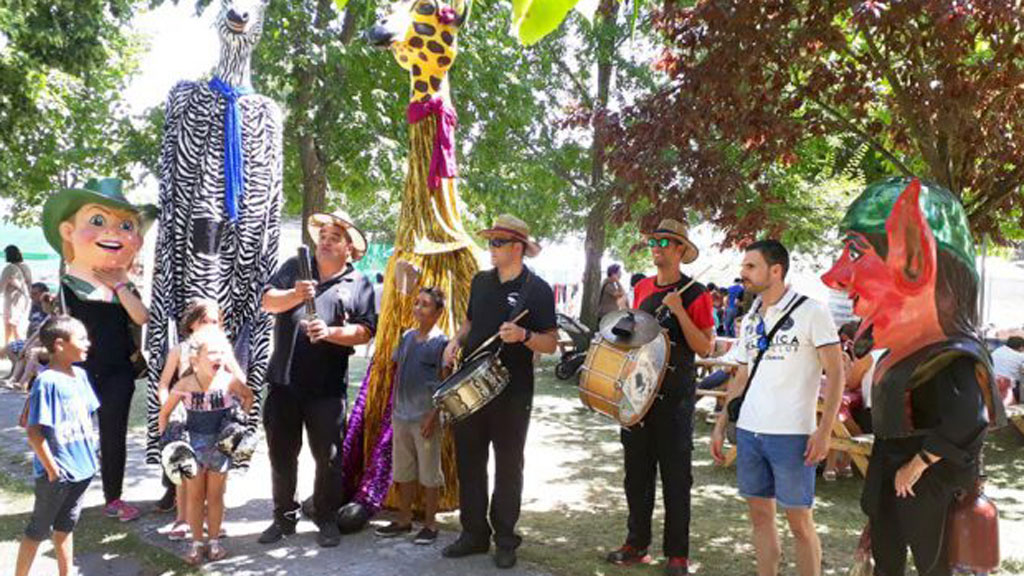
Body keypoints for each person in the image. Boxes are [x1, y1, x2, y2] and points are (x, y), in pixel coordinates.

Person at [822, 178, 1004, 576]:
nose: (834, 276)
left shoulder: (951, 355)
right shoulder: (907, 352)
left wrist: (918, 463)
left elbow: (966, 421)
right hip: (895, 474)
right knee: (889, 559)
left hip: (929, 487)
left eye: (855, 252)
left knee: (932, 562)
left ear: (915, 257)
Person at [711, 239, 843, 576]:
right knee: (759, 516)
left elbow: (837, 371)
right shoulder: (753, 313)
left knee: (800, 522)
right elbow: (742, 371)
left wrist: (825, 430)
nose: (743, 274)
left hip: (793, 435)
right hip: (750, 432)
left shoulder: (812, 311)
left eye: (750, 267)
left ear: (776, 270)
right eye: (743, 267)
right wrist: (722, 420)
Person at [441, 214, 558, 569]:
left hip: (512, 391)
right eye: (490, 242)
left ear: (518, 248)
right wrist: (455, 341)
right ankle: (473, 534)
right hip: (471, 386)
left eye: (497, 242)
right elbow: (471, 321)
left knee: (508, 465)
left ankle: (505, 537)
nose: (490, 248)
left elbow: (551, 342)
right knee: (469, 461)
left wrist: (524, 337)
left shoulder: (537, 290)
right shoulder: (480, 282)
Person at [259, 209, 376, 548]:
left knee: (328, 457)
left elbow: (365, 331)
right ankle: (284, 518)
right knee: (281, 455)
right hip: (283, 382)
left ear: (348, 248)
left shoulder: (360, 283)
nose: (325, 242)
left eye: (334, 238)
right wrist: (296, 294)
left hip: (326, 389)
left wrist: (330, 332)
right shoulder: (295, 267)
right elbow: (268, 302)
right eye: (322, 236)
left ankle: (326, 518)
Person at [41, 177, 156, 523]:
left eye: (125, 225)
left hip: (119, 370)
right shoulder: (69, 284)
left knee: (113, 434)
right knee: (70, 434)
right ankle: (62, 492)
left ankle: (114, 497)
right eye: (98, 221)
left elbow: (142, 316)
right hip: (80, 372)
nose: (115, 233)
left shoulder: (126, 285)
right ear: (67, 231)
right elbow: (62, 328)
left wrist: (120, 285)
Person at [604, 219, 715, 576]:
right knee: (636, 474)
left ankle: (678, 554)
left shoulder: (696, 293)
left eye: (665, 242)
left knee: (676, 478)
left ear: (681, 249)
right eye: (654, 241)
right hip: (638, 395)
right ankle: (637, 544)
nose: (657, 247)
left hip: (675, 398)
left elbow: (705, 345)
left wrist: (679, 311)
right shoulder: (642, 289)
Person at [158, 326, 253, 564]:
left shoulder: (229, 381)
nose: (219, 357)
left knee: (216, 496)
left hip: (221, 447)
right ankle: (196, 543)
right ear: (195, 358)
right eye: (212, 353)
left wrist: (239, 423)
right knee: (194, 496)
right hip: (193, 447)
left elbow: (249, 396)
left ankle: (214, 542)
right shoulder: (185, 383)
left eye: (222, 352)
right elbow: (165, 412)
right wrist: (168, 445)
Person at [14, 316, 99, 576]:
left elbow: (88, 416)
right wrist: (52, 470)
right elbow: (33, 432)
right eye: (82, 338)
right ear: (60, 345)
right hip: (58, 476)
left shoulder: (81, 376)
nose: (88, 343)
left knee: (65, 527)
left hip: (83, 471)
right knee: (37, 530)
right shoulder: (47, 381)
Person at [155, 299, 241, 540]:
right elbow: (164, 383)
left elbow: (239, 377)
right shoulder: (180, 350)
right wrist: (168, 405)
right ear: (191, 323)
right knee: (185, 472)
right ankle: (182, 518)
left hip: (218, 418)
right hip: (187, 417)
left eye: (215, 321)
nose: (210, 326)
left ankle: (211, 519)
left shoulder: (223, 349)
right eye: (204, 321)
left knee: (217, 472)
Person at [375, 287, 448, 545]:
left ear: (439, 312)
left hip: (425, 419)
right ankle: (404, 520)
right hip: (401, 415)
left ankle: (430, 524)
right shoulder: (407, 337)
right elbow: (398, 369)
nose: (418, 308)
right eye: (417, 302)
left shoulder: (442, 344)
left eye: (426, 304)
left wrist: (433, 414)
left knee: (429, 474)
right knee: (403, 470)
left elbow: (445, 382)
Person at [2, 244, 33, 345]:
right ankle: (13, 347)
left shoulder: (9, 269)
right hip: (25, 299)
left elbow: (1, 287)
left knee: (11, 325)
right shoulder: (25, 266)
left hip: (13, 300)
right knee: (16, 324)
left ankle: (12, 348)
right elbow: (30, 284)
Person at [991, 336, 1024, 404]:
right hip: (1006, 386)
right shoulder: (1020, 356)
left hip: (991, 383)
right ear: (1021, 347)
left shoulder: (997, 351)